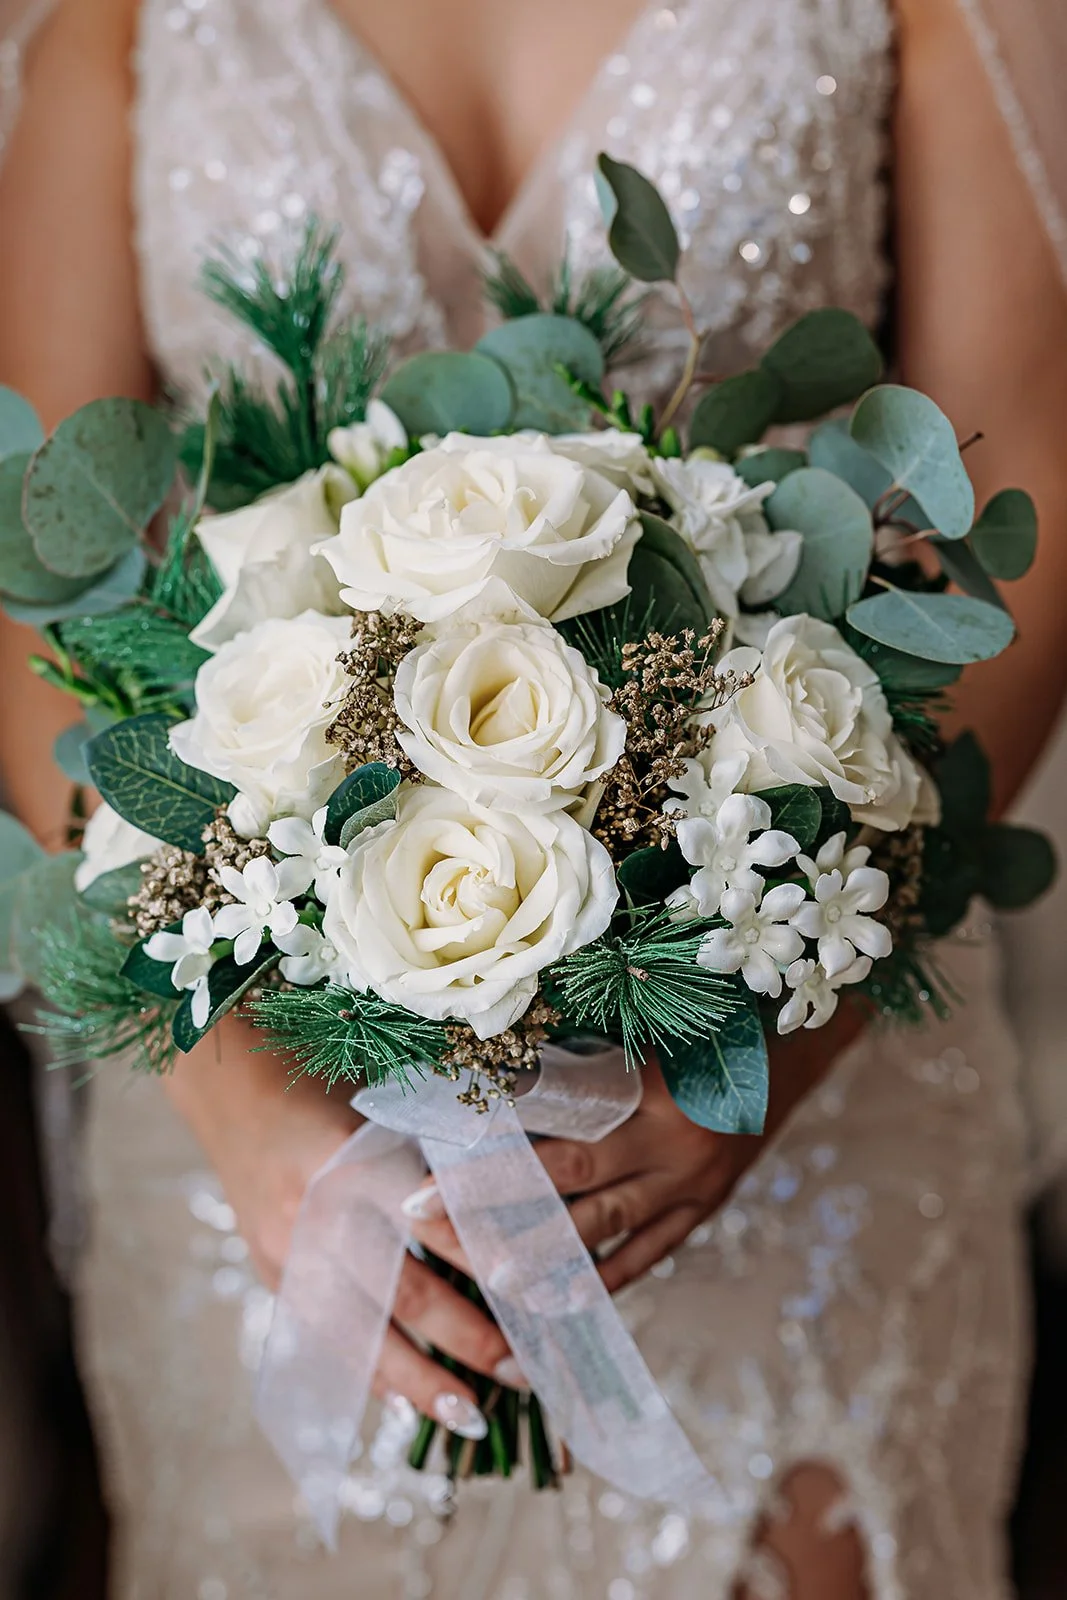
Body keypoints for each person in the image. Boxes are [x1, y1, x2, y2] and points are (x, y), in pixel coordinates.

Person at [1, 1, 1066, 1595]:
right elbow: (40, 576)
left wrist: (772, 1046)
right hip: (263, 1092)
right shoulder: (114, 18)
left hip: (794, 1032)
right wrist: (235, 1101)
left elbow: (1015, 496)